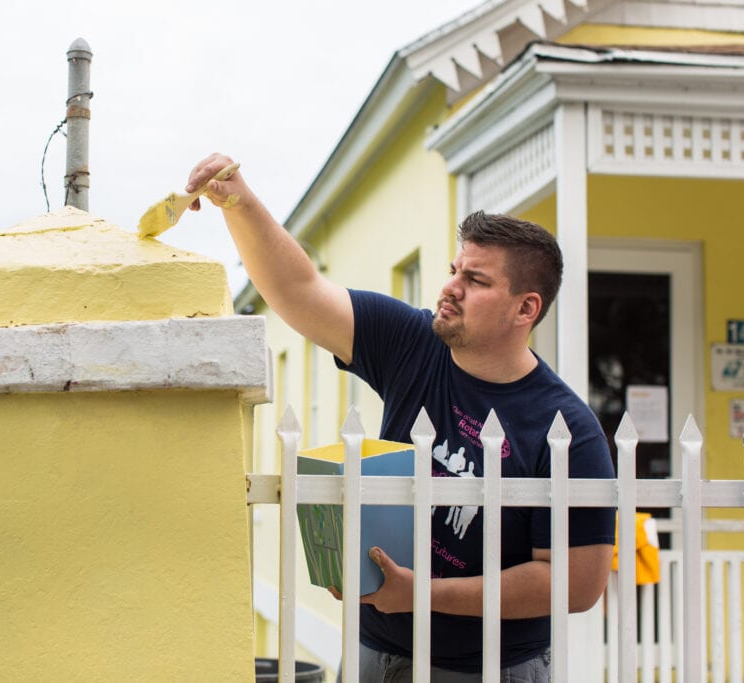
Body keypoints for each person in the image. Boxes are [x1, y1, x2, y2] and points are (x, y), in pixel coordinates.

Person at [185, 153, 616, 682]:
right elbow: (300, 292)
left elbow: (576, 584)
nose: (451, 287)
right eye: (454, 270)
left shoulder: (567, 431)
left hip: (488, 669)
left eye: (476, 280)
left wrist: (422, 595)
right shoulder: (413, 343)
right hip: (377, 653)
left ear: (526, 309)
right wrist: (241, 205)